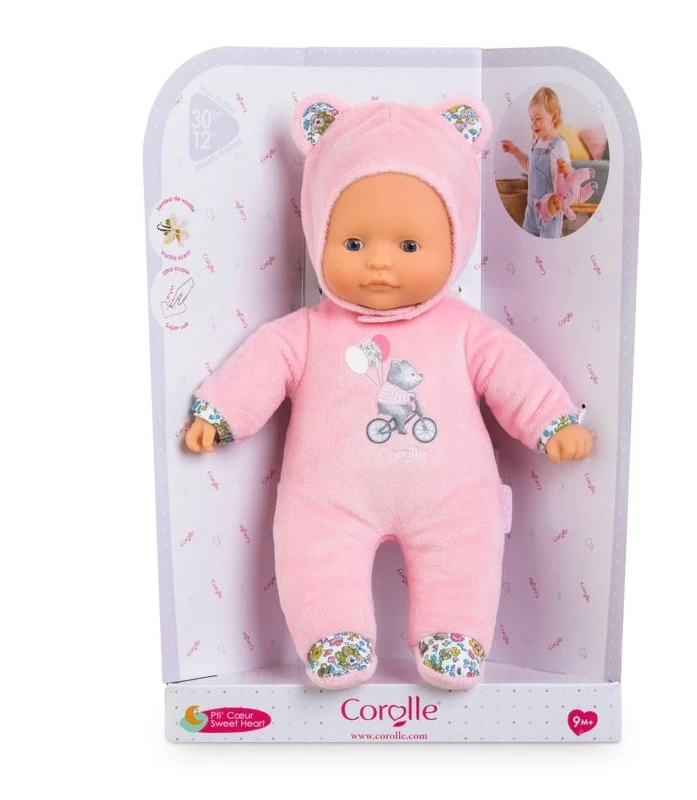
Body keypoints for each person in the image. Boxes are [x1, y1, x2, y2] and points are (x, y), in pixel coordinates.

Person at [184, 96, 593, 691]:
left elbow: (514, 373)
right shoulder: (307, 333)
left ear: (456, 240)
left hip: (452, 494)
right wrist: (220, 413)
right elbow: (261, 366)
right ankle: (333, 637)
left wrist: (553, 421)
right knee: (312, 549)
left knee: (465, 550)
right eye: (353, 245)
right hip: (328, 496)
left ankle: (454, 635)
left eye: (408, 247)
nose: (379, 264)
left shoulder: (463, 330)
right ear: (318, 233)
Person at [502, 87, 571, 238]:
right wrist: (515, 151)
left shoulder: (559, 145)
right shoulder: (536, 142)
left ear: (554, 117)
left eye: (538, 118)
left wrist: (564, 169)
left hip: (550, 208)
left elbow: (569, 176)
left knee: (548, 243)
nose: (534, 123)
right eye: (531, 119)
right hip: (531, 208)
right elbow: (530, 166)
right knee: (529, 239)